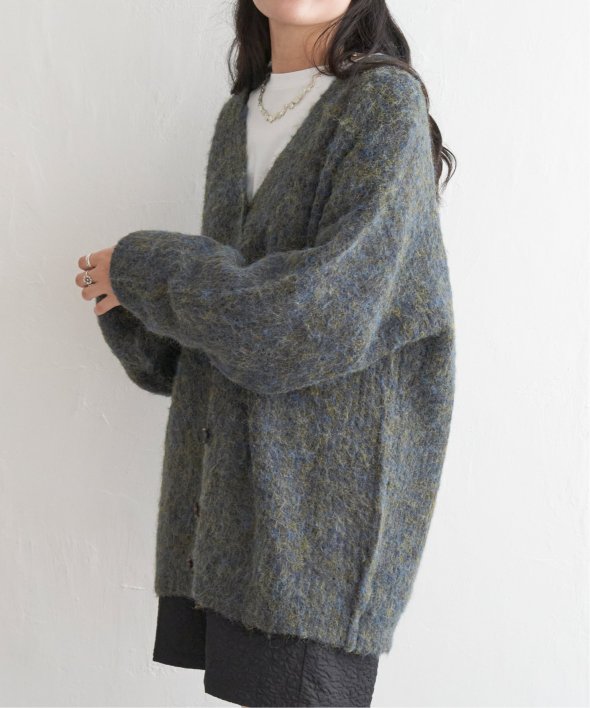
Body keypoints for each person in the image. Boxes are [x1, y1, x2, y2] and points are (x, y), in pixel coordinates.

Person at [75, 1, 456, 706]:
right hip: (220, 518)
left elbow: (314, 321)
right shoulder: (239, 117)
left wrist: (149, 271)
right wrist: (127, 306)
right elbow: (224, 343)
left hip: (318, 523)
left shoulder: (382, 105)